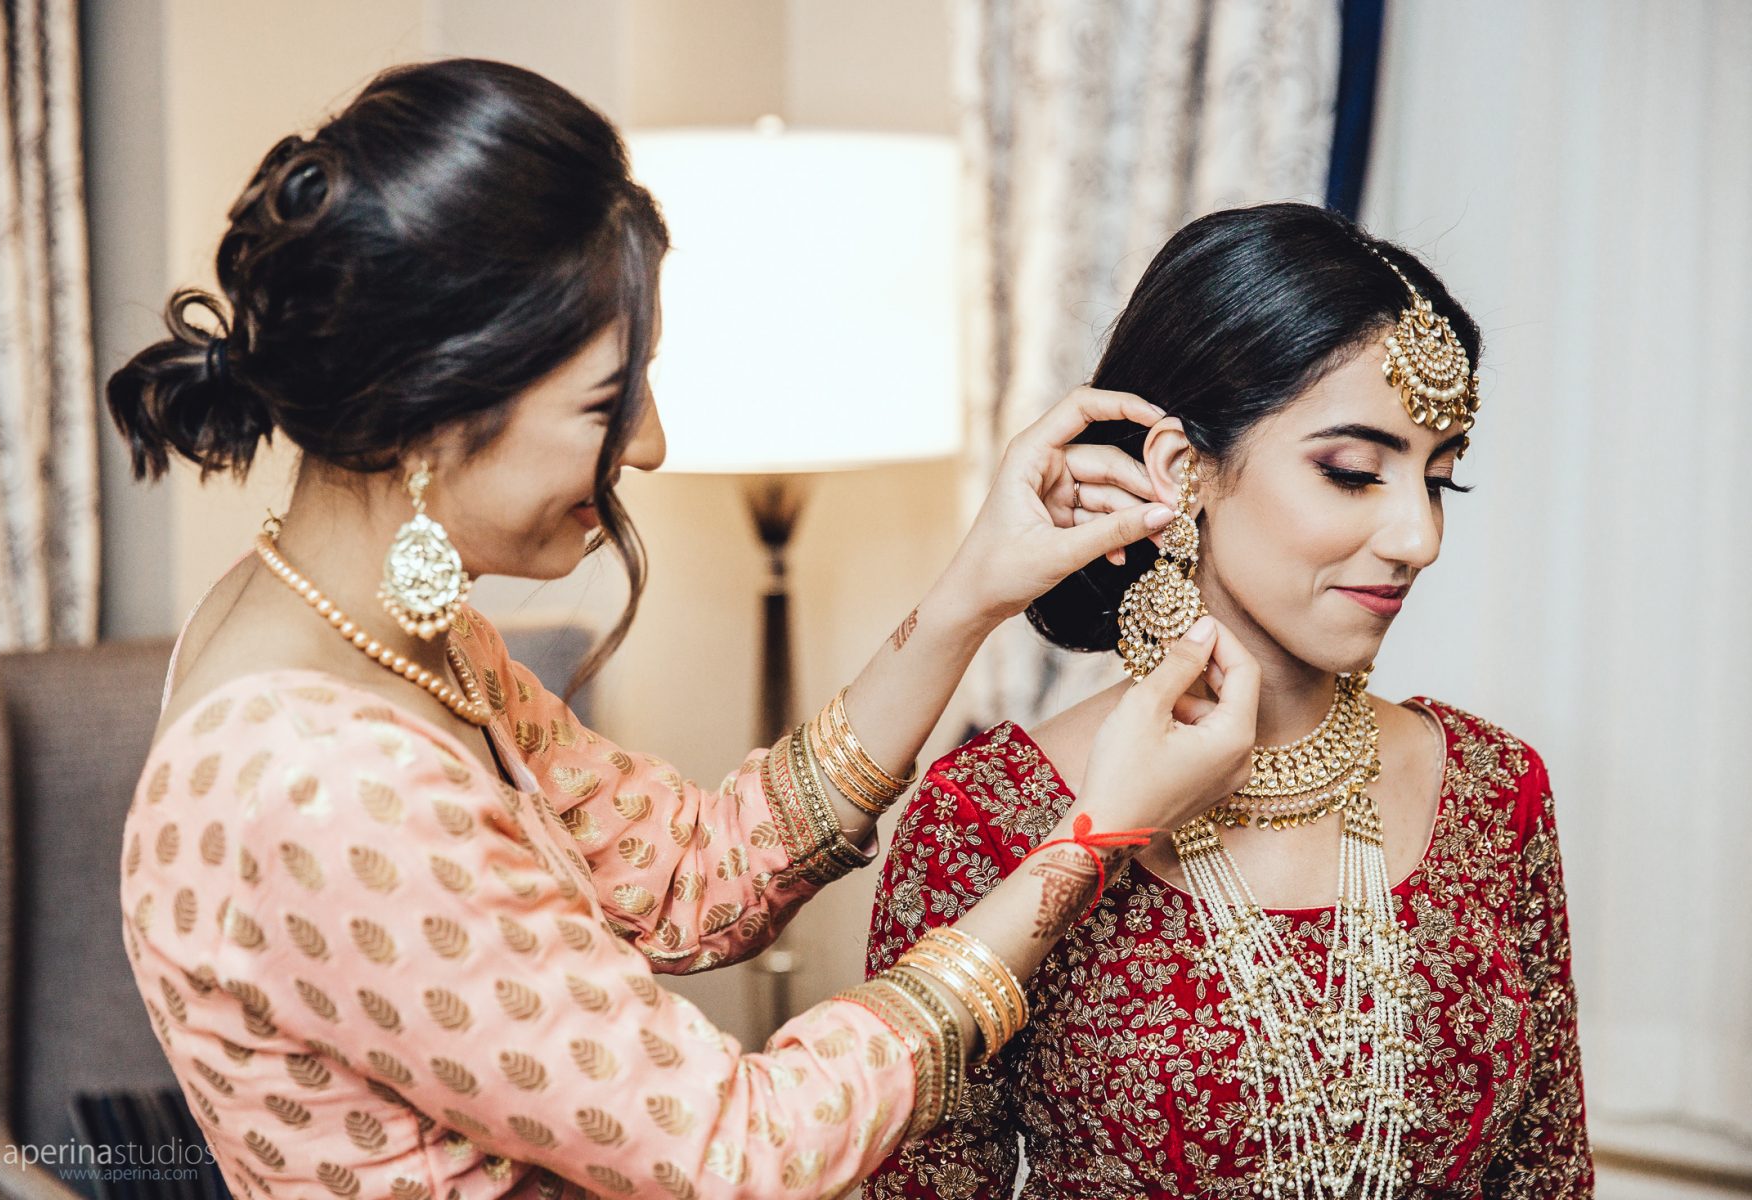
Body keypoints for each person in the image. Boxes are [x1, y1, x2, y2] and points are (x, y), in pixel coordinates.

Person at [110, 59, 1261, 1198]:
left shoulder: (380, 629)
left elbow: (690, 873)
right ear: (431, 409)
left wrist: (973, 589)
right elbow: (742, 1153)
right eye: (608, 405)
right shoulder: (318, 781)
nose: (649, 445)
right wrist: (1096, 836)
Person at [866, 202, 1595, 1199]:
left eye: (1440, 481)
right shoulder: (990, 816)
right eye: (1351, 472)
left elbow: (1548, 1173)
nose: (1418, 537)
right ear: (1185, 469)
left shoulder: (1492, 790)